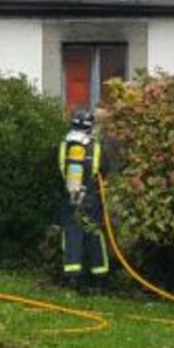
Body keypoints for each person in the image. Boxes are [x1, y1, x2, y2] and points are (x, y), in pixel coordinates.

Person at [58, 108, 110, 289]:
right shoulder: (95, 146)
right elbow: (104, 169)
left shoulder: (65, 144)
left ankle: (72, 278)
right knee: (94, 234)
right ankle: (99, 278)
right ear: (90, 127)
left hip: (69, 197)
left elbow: (60, 168)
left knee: (72, 235)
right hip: (90, 198)